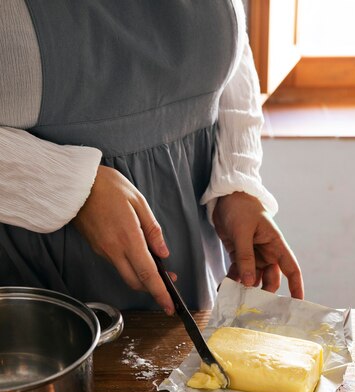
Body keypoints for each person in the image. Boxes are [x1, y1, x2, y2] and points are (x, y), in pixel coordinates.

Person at [0, 0, 304, 314]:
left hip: (198, 251)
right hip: (31, 280)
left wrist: (236, 181)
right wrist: (68, 185)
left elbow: (236, 59)